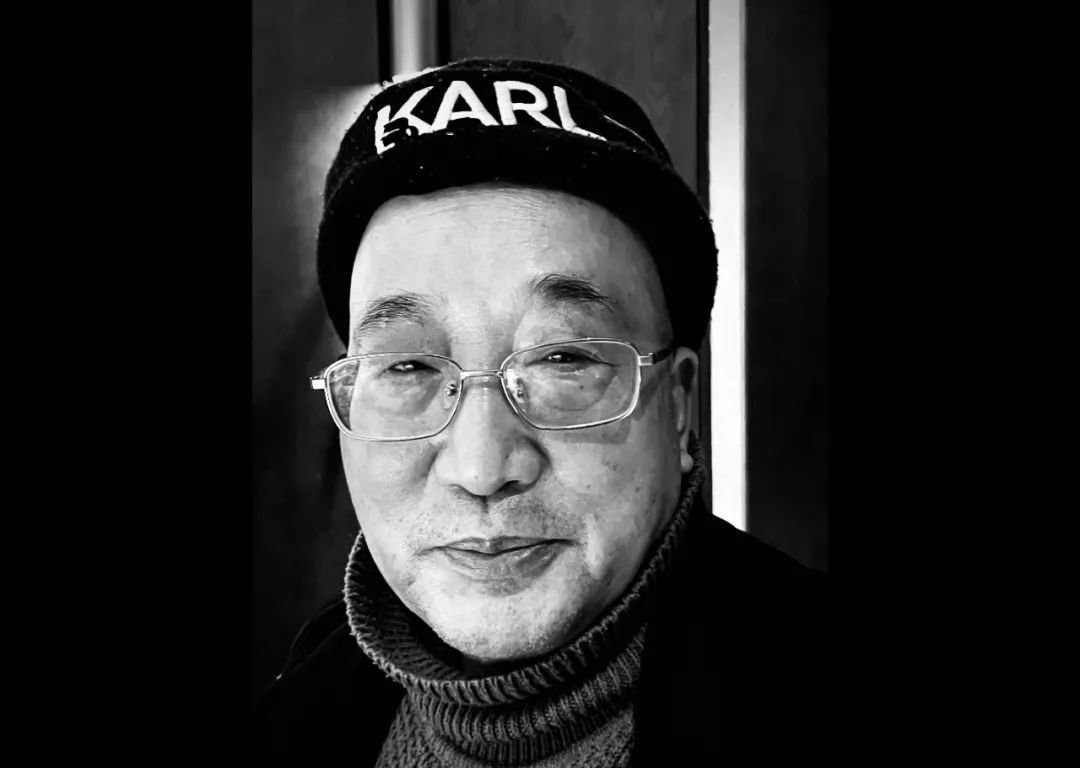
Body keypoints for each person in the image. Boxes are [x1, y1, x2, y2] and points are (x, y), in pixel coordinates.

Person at [255, 58, 830, 766]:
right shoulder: (294, 707)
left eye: (563, 360)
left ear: (680, 406)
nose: (481, 468)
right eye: (407, 367)